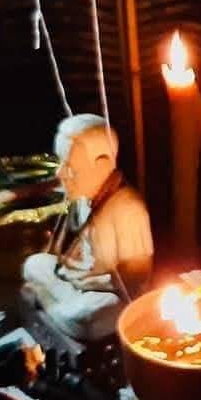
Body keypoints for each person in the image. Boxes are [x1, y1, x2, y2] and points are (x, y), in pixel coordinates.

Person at [22, 114, 153, 340]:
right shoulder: (82, 197)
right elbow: (61, 252)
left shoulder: (128, 209)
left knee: (93, 316)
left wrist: (108, 290)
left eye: (71, 167)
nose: (60, 173)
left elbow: (137, 279)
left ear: (102, 165)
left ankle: (50, 304)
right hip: (73, 282)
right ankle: (59, 307)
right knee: (34, 264)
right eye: (61, 163)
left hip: (105, 295)